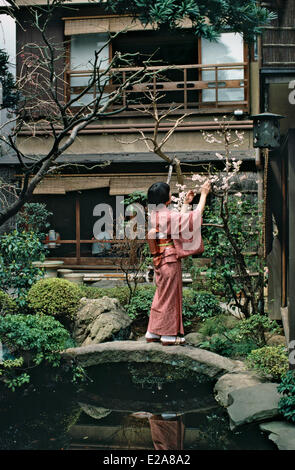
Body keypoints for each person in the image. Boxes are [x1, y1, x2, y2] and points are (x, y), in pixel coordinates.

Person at [145, 180, 211, 346]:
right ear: (165, 198)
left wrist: (186, 203)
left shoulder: (155, 214)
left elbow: (176, 223)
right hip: (169, 260)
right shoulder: (166, 215)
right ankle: (167, 334)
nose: (171, 195)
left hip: (160, 260)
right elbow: (193, 219)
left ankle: (152, 331)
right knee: (171, 297)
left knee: (162, 295)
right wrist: (203, 194)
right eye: (169, 193)